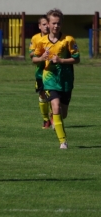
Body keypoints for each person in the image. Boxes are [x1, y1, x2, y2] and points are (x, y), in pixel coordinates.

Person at [32, 9, 80, 149]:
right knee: (56, 106)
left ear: (62, 24)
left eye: (58, 23)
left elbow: (76, 59)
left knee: (62, 114)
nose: (55, 26)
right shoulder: (41, 41)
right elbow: (34, 59)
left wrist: (61, 60)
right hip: (49, 79)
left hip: (66, 81)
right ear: (48, 23)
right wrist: (42, 58)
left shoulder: (68, 40)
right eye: (53, 23)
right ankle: (63, 142)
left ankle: (55, 117)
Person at [29, 15, 51, 129]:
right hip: (40, 71)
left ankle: (53, 116)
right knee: (42, 94)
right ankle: (46, 119)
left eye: (48, 24)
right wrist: (40, 52)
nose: (46, 26)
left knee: (52, 94)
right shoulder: (35, 38)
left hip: (51, 71)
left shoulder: (54, 38)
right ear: (39, 26)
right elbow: (31, 54)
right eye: (43, 24)